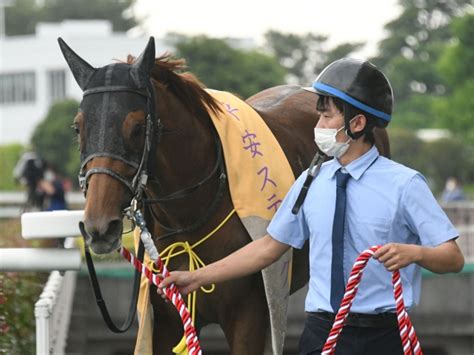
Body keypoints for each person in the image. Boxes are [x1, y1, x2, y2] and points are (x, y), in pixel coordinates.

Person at [157, 58, 464, 354]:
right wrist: (197, 277)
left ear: (357, 123)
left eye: (327, 117)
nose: (318, 125)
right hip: (321, 330)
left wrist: (415, 253)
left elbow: (452, 258)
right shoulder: (310, 181)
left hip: (383, 332)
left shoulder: (405, 184)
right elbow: (268, 247)